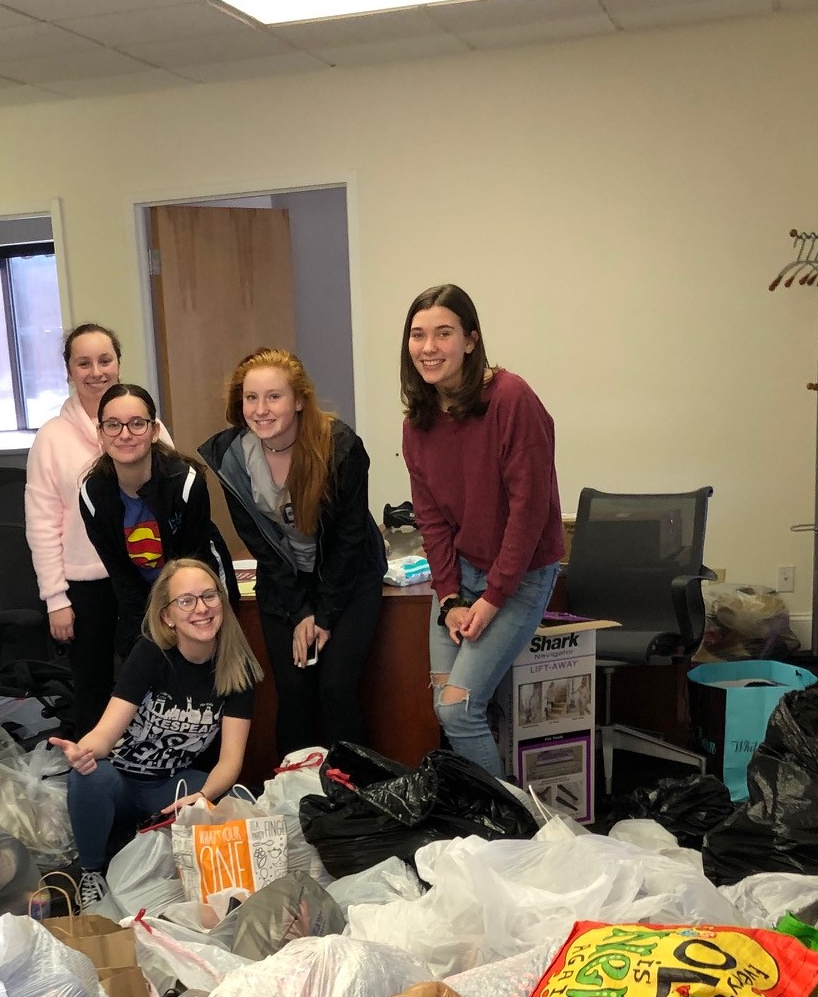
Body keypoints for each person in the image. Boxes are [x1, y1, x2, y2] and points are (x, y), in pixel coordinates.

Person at [399, 283, 564, 777]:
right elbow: (430, 520)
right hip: (462, 575)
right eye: (417, 335)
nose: (428, 347)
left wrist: (491, 599)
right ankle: (482, 817)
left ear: (471, 340)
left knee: (457, 709)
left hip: (520, 575)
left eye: (443, 333)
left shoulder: (511, 398)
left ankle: (507, 830)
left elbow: (528, 510)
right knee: (446, 706)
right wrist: (449, 598)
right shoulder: (419, 422)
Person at [200, 348, 384, 757]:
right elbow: (261, 545)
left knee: (336, 689)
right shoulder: (233, 457)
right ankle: (295, 799)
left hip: (347, 578)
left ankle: (356, 794)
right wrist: (300, 612)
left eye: (274, 397)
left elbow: (349, 540)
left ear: (299, 400)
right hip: (285, 583)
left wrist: (324, 615)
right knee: (294, 692)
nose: (261, 410)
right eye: (251, 398)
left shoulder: (338, 447)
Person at [49, 557, 261, 904]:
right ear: (167, 616)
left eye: (209, 596)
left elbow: (230, 762)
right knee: (89, 777)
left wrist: (204, 796)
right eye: (186, 601)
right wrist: (84, 751)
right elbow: (106, 733)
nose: (201, 609)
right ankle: (92, 871)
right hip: (120, 784)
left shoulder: (238, 668)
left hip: (170, 787)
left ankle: (154, 849)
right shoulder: (151, 654)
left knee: (236, 798)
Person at [25, 323, 169, 738]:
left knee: (156, 678)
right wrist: (55, 598)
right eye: (83, 362)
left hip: (148, 577)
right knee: (93, 687)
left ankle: (155, 769)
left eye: (105, 360)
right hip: (86, 583)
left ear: (118, 364)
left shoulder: (146, 424)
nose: (96, 371)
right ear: (69, 371)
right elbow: (42, 523)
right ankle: (94, 778)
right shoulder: (51, 438)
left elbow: (172, 501)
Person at [78, 382, 236, 662]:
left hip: (199, 594)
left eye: (137, 424)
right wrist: (147, 635)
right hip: (141, 602)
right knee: (138, 667)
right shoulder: (93, 496)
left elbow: (193, 566)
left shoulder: (185, 484)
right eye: (113, 425)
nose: (125, 434)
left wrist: (178, 623)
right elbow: (121, 577)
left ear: (153, 431)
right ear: (100, 434)